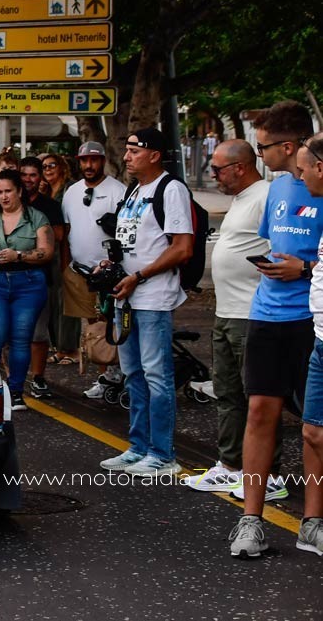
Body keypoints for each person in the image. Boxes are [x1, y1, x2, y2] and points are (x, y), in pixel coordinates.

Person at [228, 101, 322, 556]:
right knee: (260, 412)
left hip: (311, 319)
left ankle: (312, 521)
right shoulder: (278, 189)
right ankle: (250, 519)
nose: (258, 154)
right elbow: (274, 242)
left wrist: (302, 269)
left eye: (263, 146)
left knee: (313, 427)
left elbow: (311, 259)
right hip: (267, 314)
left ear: (289, 145)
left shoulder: (318, 185)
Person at [98, 128, 193, 478]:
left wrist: (140, 276)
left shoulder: (171, 190)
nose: (127, 156)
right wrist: (113, 267)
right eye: (127, 150)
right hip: (126, 296)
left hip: (152, 297)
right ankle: (138, 447)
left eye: (134, 150)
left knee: (156, 375)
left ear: (154, 154)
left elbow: (182, 248)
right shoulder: (135, 191)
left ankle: (163, 453)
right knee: (132, 374)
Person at [181, 140, 268, 496]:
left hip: (250, 313)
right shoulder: (241, 200)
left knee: (258, 398)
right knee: (229, 394)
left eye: (217, 169)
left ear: (240, 167)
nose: (212, 175)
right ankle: (231, 464)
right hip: (227, 312)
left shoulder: (265, 196)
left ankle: (266, 472)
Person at [0, 170, 53, 411]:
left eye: (8, 191)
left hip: (28, 282)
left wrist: (19, 255)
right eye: (0, 192)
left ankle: (16, 392)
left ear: (19, 191)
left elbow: (46, 252)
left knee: (20, 339)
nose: (4, 196)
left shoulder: (37, 218)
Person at [61, 142, 128, 398]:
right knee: (92, 329)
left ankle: (121, 375)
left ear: (102, 161)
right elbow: (67, 232)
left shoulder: (118, 190)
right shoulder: (71, 192)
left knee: (111, 325)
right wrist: (67, 267)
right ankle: (107, 378)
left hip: (109, 274)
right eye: (84, 160)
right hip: (79, 271)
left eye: (94, 160)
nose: (89, 165)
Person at [293, 134, 323, 557]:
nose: (299, 176)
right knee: (313, 432)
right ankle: (311, 525)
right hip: (321, 339)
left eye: (304, 168)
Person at [18, 156, 69, 394]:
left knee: (38, 333)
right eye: (24, 174)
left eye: (33, 175)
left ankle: (37, 377)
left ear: (40, 178)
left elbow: (58, 238)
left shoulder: (50, 206)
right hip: (10, 276)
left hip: (41, 275)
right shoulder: (9, 201)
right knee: (10, 333)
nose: (28, 179)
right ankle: (12, 379)